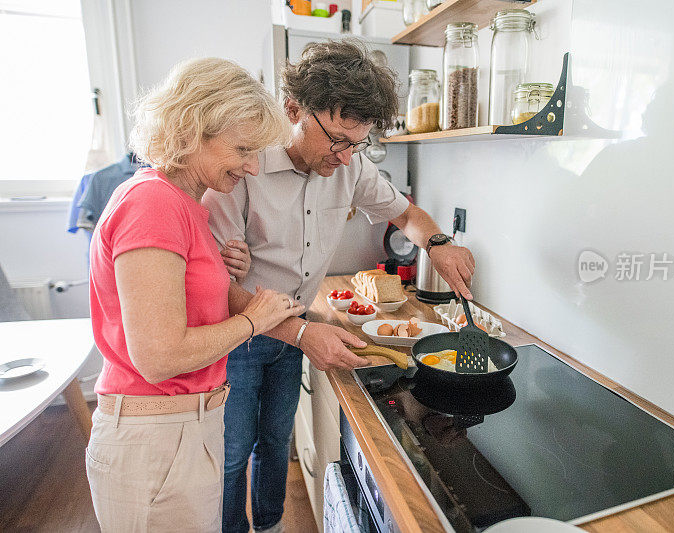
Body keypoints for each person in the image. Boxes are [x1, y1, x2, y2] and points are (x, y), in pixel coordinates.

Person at [203, 40, 476, 533]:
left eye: (358, 143)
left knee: (274, 441)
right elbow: (212, 283)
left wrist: (437, 242)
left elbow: (406, 213)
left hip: (295, 329)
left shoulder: (349, 166)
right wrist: (302, 333)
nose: (347, 158)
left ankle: (267, 525)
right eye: (336, 140)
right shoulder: (244, 164)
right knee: (229, 455)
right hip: (237, 337)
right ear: (293, 110)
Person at [85, 57, 305, 532]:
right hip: (156, 440)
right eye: (243, 149)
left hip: (184, 428)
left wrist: (220, 274)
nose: (251, 167)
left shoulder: (184, 203)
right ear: (190, 131)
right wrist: (253, 321)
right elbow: (159, 357)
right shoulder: (153, 202)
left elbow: (186, 298)